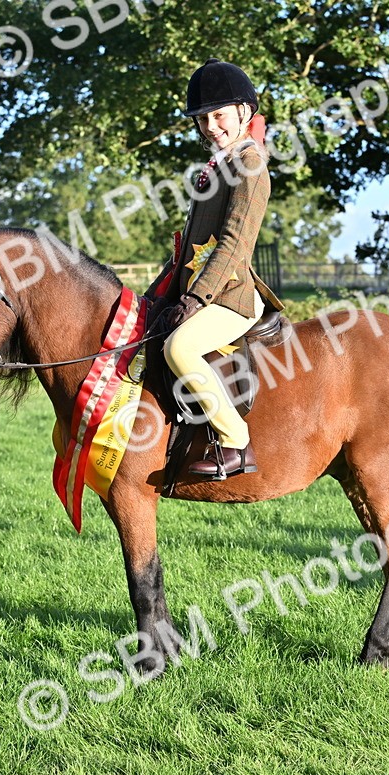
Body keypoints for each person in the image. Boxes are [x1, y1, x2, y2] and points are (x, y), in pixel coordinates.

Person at [147, 58, 284, 479]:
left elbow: (234, 245)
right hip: (200, 289)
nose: (210, 125)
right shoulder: (220, 163)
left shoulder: (250, 165)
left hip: (231, 296)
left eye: (218, 115)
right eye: (203, 118)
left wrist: (194, 299)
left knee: (180, 348)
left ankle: (235, 442)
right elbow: (191, 244)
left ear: (244, 111)